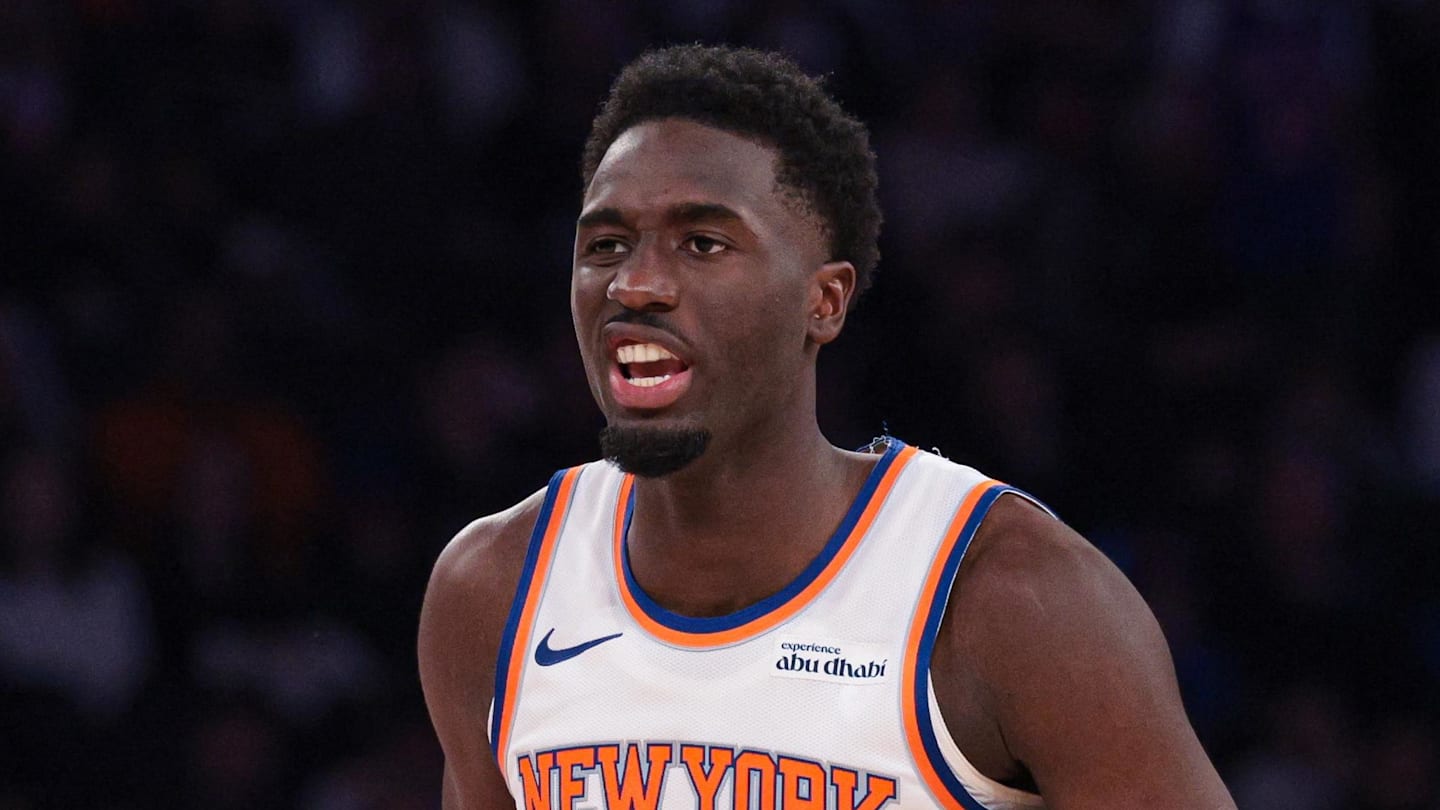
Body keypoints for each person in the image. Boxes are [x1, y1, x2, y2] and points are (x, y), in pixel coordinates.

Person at [418, 44, 1236, 809]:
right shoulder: (491, 590)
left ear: (825, 301)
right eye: (606, 243)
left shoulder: (1011, 599)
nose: (636, 283)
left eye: (702, 243)